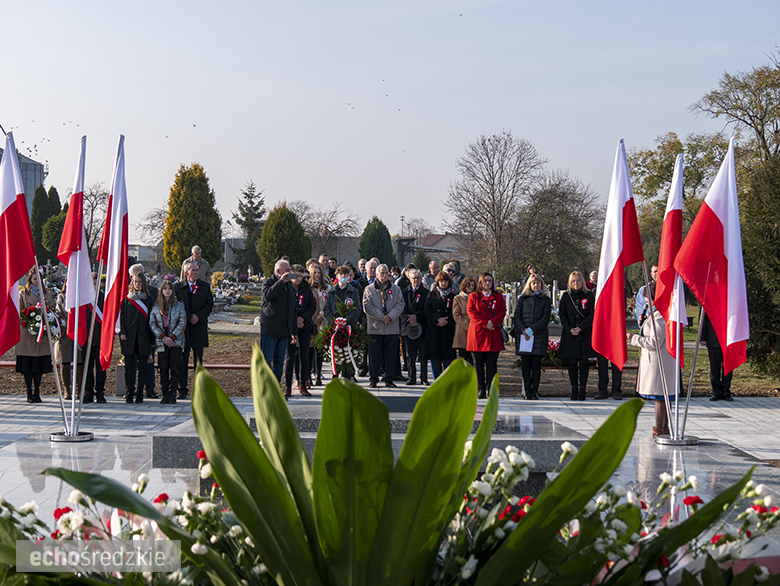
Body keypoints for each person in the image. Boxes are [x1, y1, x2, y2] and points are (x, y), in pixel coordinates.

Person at [628, 308, 678, 437]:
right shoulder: (655, 314)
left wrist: (634, 338)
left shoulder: (660, 316)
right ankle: (663, 429)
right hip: (658, 360)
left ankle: (660, 430)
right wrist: (644, 323)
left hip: (659, 361)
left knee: (661, 397)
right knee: (662, 397)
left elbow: (655, 342)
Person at [175, 261, 214, 399]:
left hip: (199, 328)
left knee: (198, 360)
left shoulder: (204, 286)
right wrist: (188, 317)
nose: (196, 272)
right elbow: (176, 306)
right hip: (183, 329)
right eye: (192, 270)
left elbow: (209, 304)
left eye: (197, 270)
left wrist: (198, 316)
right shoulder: (178, 288)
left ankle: (199, 389)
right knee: (182, 360)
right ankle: (182, 389)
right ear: (186, 273)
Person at [363, 264, 404, 388]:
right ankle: (374, 378)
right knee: (374, 355)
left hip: (391, 327)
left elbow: (400, 304)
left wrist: (390, 316)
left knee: (391, 354)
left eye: (386, 273)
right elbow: (367, 306)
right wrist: (382, 317)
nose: (385, 275)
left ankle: (389, 378)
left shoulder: (396, 290)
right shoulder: (369, 289)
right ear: (377, 274)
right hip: (375, 327)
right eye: (382, 273)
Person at [467, 273, 506, 399]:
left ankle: (490, 388)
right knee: (478, 364)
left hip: (493, 334)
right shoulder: (474, 296)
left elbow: (502, 311)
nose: (488, 283)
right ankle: (480, 389)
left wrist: (493, 322)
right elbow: (471, 312)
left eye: (490, 281)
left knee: (491, 363)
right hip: (478, 333)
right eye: (485, 281)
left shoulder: (498, 296)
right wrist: (485, 323)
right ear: (481, 282)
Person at [16, 269, 53, 404]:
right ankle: (28, 392)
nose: (36, 281)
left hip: (41, 336)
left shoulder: (47, 294)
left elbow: (52, 311)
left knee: (39, 367)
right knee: (28, 367)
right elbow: (19, 312)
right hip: (27, 335)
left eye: (38, 278)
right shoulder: (23, 294)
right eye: (34, 278)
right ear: (30, 280)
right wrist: (29, 320)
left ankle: (37, 392)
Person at [558, 271, 595, 401]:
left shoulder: (589, 295)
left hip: (584, 332)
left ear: (582, 281)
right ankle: (574, 388)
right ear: (570, 282)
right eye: (573, 281)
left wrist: (581, 327)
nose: (576, 283)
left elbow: (591, 314)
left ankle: (583, 389)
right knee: (572, 361)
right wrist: (570, 328)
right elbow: (562, 314)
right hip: (570, 333)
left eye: (578, 280)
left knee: (584, 361)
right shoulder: (566, 296)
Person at [514, 273, 551, 400]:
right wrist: (523, 330)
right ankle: (527, 392)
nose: (536, 285)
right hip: (524, 336)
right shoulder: (522, 299)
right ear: (529, 285)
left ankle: (534, 391)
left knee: (536, 365)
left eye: (538, 283)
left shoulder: (545, 299)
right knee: (526, 365)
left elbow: (545, 318)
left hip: (538, 336)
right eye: (533, 283)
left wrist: (532, 330)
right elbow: (517, 316)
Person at [259, 259, 297, 384]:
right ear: (278, 271)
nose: (289, 273)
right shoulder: (269, 282)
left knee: (279, 361)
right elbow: (268, 296)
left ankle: (275, 388)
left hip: (284, 330)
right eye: (287, 271)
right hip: (270, 329)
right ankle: (266, 388)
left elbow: (292, 310)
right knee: (267, 360)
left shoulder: (289, 286)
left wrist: (293, 331)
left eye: (290, 270)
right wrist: (281, 281)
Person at [149, 279, 186, 404]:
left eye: (169, 288)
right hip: (162, 342)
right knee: (163, 368)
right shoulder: (156, 306)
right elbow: (152, 323)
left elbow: (182, 322)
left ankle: (173, 392)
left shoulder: (179, 305)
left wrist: (173, 337)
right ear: (161, 290)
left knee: (175, 368)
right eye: (165, 288)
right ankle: (165, 392)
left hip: (175, 341)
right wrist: (163, 337)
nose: (167, 291)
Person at [119, 272, 154, 404]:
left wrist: (152, 339)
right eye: (135, 282)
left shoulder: (148, 300)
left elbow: (152, 320)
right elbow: (121, 318)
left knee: (143, 366)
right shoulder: (127, 300)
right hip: (129, 337)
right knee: (129, 366)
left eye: (140, 282)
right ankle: (129, 391)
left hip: (144, 337)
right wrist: (122, 331)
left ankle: (140, 392)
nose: (137, 284)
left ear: (143, 283)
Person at [284, 264, 316, 397]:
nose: (298, 279)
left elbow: (312, 306)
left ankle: (303, 384)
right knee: (290, 357)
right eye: (296, 276)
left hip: (305, 326)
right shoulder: (286, 288)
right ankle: (288, 387)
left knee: (304, 356)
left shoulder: (306, 289)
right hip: (290, 328)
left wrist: (303, 318)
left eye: (301, 276)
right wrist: (294, 320)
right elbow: (284, 307)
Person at [129, 263, 158, 399]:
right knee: (131, 364)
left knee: (149, 362)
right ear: (131, 277)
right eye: (138, 274)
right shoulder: (127, 294)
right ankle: (130, 389)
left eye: (143, 273)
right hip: (132, 336)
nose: (142, 277)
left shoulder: (153, 292)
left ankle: (149, 388)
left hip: (147, 335)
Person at [54, 280, 83, 401]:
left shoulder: (82, 297)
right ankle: (67, 389)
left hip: (80, 333)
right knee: (65, 362)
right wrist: (66, 326)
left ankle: (80, 389)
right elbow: (58, 313)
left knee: (79, 361)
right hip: (65, 334)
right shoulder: (62, 297)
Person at [425, 271, 457, 380]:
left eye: (446, 281)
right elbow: (427, 310)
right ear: (437, 282)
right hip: (435, 330)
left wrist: (447, 320)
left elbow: (455, 312)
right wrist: (437, 319)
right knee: (435, 356)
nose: (443, 283)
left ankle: (446, 379)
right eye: (441, 281)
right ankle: (436, 379)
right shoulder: (432, 294)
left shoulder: (453, 296)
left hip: (448, 330)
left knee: (447, 356)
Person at [402, 269, 429, 386]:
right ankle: (411, 376)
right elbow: (401, 308)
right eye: (414, 278)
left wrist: (416, 317)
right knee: (410, 354)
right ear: (409, 279)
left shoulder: (427, 293)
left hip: (422, 326)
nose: (416, 280)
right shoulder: (403, 292)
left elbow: (427, 309)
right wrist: (410, 319)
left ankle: (424, 378)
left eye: (418, 278)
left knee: (423, 354)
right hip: (408, 326)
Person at [700, 311, 733, 402]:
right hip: (713, 338)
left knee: (728, 367)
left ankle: (726, 391)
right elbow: (703, 319)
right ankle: (716, 391)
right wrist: (703, 337)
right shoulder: (708, 297)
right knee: (714, 368)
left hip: (729, 339)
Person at [307, 261, 329, 387]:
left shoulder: (326, 288)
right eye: (314, 273)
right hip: (311, 321)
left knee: (319, 350)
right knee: (309, 349)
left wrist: (322, 314)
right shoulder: (309, 288)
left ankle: (318, 374)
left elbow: (328, 303)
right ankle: (309, 374)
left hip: (322, 322)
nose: (316, 275)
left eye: (318, 273)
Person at [453, 277, 475, 365]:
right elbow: (456, 315)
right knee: (463, 357)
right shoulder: (458, 298)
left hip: (474, 329)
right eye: (469, 285)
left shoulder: (476, 297)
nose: (471, 287)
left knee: (473, 358)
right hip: (463, 330)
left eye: (473, 285)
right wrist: (468, 326)